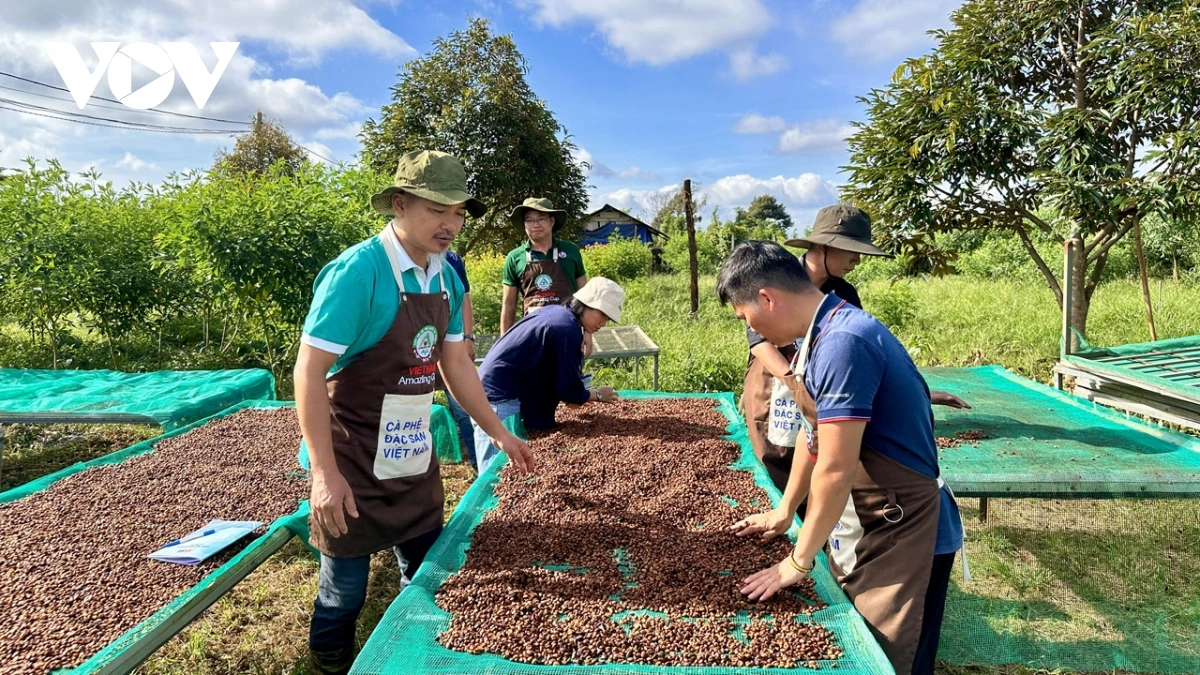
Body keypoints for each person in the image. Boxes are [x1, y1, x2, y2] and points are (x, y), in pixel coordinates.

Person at [294, 150, 535, 675]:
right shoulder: (359, 272)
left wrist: (498, 432)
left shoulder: (446, 275)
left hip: (409, 449)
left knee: (425, 569)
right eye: (437, 210)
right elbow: (308, 372)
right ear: (400, 204)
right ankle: (330, 660)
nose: (450, 225)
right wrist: (324, 474)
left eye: (459, 213)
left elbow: (456, 363)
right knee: (345, 588)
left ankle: (409, 655)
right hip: (351, 454)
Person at [720, 241, 965, 675]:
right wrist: (785, 510)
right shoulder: (820, 334)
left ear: (767, 299)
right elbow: (813, 433)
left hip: (907, 529)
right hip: (877, 517)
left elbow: (835, 468)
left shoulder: (842, 343)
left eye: (744, 316)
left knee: (896, 654)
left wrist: (797, 562)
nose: (750, 327)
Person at [743, 204, 968, 494]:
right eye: (851, 250)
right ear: (823, 247)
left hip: (822, 389)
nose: (857, 260)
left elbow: (853, 354)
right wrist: (798, 386)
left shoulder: (844, 293)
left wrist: (917, 393)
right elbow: (760, 343)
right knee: (775, 464)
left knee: (820, 466)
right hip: (775, 386)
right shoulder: (777, 281)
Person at [473, 277, 625, 473]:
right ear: (586, 304)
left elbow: (553, 372)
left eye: (608, 318)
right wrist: (597, 395)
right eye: (602, 314)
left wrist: (573, 396)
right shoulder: (566, 329)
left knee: (511, 469)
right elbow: (568, 388)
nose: (603, 322)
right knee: (498, 473)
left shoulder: (557, 313)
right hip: (497, 396)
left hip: (499, 388)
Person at [500, 197, 588, 333]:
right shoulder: (515, 257)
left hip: (568, 331)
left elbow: (584, 296)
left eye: (541, 219)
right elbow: (509, 304)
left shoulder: (571, 250)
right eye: (529, 220)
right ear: (524, 224)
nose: (535, 224)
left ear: (552, 221)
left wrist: (587, 334)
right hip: (532, 333)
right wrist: (504, 340)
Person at [439, 249, 480, 469]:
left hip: (451, 344)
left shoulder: (452, 260)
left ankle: (478, 465)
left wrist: (468, 337)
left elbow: (464, 300)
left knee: (464, 409)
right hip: (414, 348)